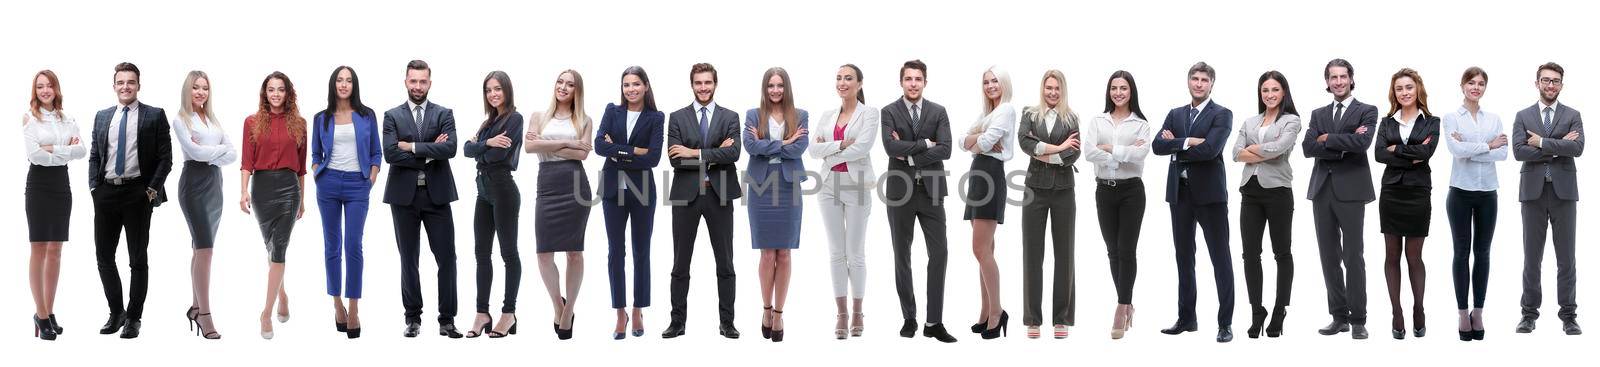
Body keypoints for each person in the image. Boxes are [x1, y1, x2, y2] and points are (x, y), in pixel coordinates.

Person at [1152, 62, 1236, 343]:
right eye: (1194, 79)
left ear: (1212, 84)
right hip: (1180, 194)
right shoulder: (1175, 114)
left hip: (1210, 196)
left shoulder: (1222, 114)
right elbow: (1156, 146)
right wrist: (1188, 141)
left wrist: (1175, 144)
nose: (1198, 84)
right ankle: (1187, 318)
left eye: (1204, 80)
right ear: (1188, 81)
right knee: (1183, 258)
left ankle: (1225, 323)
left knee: (1220, 259)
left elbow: (1211, 150)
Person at [89, 62, 173, 339]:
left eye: (131, 82)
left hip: (139, 193)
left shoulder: (154, 115)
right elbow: (95, 156)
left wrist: (150, 192)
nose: (126, 87)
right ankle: (116, 313)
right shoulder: (102, 117)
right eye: (121, 82)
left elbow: (165, 159)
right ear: (114, 86)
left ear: (139, 85)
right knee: (104, 257)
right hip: (106, 194)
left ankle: (134, 318)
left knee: (137, 259)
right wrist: (94, 188)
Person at [381, 60, 463, 338]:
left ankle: (447, 320)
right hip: (403, 198)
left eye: (423, 81)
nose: (418, 86)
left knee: (447, 258)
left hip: (437, 195)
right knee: (408, 258)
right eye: (413, 81)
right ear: (406, 81)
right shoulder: (392, 115)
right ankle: (413, 318)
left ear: (430, 82)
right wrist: (430, 152)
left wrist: (412, 147)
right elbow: (390, 154)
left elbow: (450, 148)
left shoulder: (444, 114)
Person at [662, 63, 743, 340]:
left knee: (725, 263)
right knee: (680, 262)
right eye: (698, 83)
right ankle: (677, 321)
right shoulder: (676, 117)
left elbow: (733, 154)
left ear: (715, 84)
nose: (703, 88)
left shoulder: (730, 116)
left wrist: (693, 152)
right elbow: (675, 159)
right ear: (692, 85)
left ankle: (727, 322)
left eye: (708, 82)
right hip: (686, 196)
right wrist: (712, 152)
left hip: (719, 196)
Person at [880, 59, 958, 343]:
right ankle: (909, 318)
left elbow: (947, 149)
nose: (913, 83)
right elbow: (890, 147)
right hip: (900, 194)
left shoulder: (939, 112)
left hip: (932, 191)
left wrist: (910, 154)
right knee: (902, 255)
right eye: (908, 79)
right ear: (901, 82)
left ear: (925, 82)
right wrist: (927, 144)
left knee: (940, 254)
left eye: (918, 79)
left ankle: (933, 322)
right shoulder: (889, 111)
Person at [1304, 58, 1378, 340]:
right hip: (1322, 190)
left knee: (1353, 255)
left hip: (1352, 191)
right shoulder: (1317, 113)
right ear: (1327, 82)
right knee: (1328, 256)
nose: (1338, 82)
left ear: (1351, 79)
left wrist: (1327, 139)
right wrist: (1339, 140)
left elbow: (1362, 144)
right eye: (1333, 77)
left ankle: (1359, 319)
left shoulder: (1366, 111)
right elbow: (1308, 148)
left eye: (1342, 77)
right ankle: (1339, 316)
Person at [1513, 62, 1584, 336]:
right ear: (1537, 83)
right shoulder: (1523, 116)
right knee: (1532, 257)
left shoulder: (1573, 115)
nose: (1550, 85)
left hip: (1564, 193)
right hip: (1532, 193)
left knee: (1566, 258)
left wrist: (1541, 143)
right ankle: (1528, 314)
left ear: (1561, 85)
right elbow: (1519, 152)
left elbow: (1577, 148)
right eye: (1545, 80)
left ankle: (1569, 315)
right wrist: (1558, 146)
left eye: (1555, 81)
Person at [594, 66, 665, 340]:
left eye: (636, 84)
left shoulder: (656, 117)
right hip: (612, 191)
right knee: (615, 252)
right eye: (626, 85)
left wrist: (618, 151)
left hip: (642, 192)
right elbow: (600, 146)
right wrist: (634, 150)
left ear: (646, 86)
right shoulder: (612, 111)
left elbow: (654, 158)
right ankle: (619, 311)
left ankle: (638, 309)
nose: (631, 89)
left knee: (641, 252)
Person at [310, 66, 381, 339]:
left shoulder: (366, 115)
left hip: (357, 184)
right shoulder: (321, 118)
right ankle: (336, 303)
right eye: (339, 80)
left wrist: (371, 178)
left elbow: (376, 152)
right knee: (332, 246)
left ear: (354, 85)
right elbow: (316, 152)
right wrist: (318, 171)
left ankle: (353, 307)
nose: (343, 84)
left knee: (353, 245)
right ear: (333, 84)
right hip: (327, 183)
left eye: (348, 80)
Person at [809, 64, 878, 340]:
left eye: (848, 78)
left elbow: (863, 147)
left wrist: (829, 152)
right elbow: (813, 149)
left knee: (855, 252)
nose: (843, 82)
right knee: (836, 252)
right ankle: (841, 313)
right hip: (828, 186)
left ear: (859, 84)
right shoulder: (827, 115)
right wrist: (839, 146)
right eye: (839, 78)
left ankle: (858, 310)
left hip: (857, 186)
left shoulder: (870, 113)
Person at [523, 69, 593, 340]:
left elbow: (584, 154)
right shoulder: (538, 117)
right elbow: (529, 149)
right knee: (543, 254)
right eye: (560, 82)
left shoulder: (585, 119)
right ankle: (557, 303)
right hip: (548, 184)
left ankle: (569, 310)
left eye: (570, 84)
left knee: (574, 252)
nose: (563, 87)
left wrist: (545, 143)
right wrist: (567, 142)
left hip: (575, 186)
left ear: (577, 90)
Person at [1230, 71, 1301, 339]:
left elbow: (1280, 149)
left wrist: (1253, 150)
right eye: (1265, 91)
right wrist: (1264, 149)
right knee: (1250, 254)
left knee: (1282, 253)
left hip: (1278, 192)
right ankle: (1256, 310)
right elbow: (1235, 153)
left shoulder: (1291, 120)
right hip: (1250, 192)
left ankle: (1280, 309)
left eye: (1274, 90)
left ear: (1284, 92)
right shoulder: (1250, 121)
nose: (1269, 95)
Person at [240, 71, 309, 340]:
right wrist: (243, 191)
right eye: (271, 89)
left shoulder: (300, 124)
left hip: (289, 189)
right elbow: (247, 161)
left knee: (279, 247)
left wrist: (303, 199)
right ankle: (282, 295)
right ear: (264, 93)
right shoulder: (252, 122)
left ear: (288, 93)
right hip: (262, 190)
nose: (276, 94)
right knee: (270, 247)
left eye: (281, 89)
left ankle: (265, 313)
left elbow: (302, 168)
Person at [1082, 70, 1151, 340]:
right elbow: (1088, 152)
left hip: (1132, 192)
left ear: (1131, 91)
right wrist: (1121, 153)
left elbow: (1141, 155)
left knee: (1126, 249)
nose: (1118, 92)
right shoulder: (1097, 120)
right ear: (1108, 91)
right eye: (1114, 88)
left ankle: (1122, 307)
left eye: (1123, 88)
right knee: (1112, 251)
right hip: (1104, 191)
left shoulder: (1141, 124)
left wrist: (1108, 148)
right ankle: (1127, 302)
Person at [1373, 68, 1440, 340]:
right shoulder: (1386, 122)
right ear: (1394, 93)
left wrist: (1395, 150)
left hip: (1417, 193)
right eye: (1399, 88)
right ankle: (1396, 312)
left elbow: (1426, 153)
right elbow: (1378, 154)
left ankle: (1419, 308)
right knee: (1391, 255)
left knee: (1414, 256)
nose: (1405, 92)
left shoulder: (1432, 121)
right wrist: (1410, 154)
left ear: (1418, 89)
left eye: (1409, 87)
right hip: (1391, 192)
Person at [1441, 67, 1507, 341]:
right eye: (1471, 82)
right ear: (1462, 85)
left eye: (1481, 83)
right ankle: (1461, 312)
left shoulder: (1494, 118)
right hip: (1460, 192)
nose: (1476, 87)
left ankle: (1478, 311)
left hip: (1488, 193)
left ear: (1484, 88)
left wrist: (1475, 146)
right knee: (1460, 252)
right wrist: (1487, 146)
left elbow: (1503, 153)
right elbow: (1455, 151)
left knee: (1483, 253)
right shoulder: (1451, 118)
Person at [744, 67, 809, 342]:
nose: (775, 90)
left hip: (788, 185)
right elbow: (750, 146)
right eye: (771, 85)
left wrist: (768, 143)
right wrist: (784, 141)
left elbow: (799, 148)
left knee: (784, 253)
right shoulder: (752, 115)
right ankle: (766, 309)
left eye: (780, 85)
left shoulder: (801, 115)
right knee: (766, 254)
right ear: (764, 88)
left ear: (786, 87)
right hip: (760, 185)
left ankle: (780, 313)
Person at [1016, 69, 1080, 340]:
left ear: (1062, 90)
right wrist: (1057, 147)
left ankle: (1061, 318)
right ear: (1042, 89)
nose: (1052, 92)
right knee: (1033, 254)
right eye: (1048, 88)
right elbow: (1023, 141)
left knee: (1064, 254)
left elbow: (1074, 152)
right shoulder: (1029, 113)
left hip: (1064, 191)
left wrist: (1043, 152)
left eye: (1057, 88)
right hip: (1034, 190)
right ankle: (1033, 319)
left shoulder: (1072, 117)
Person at [23, 69, 86, 341]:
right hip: (38, 185)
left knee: (56, 250)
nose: (45, 90)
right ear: (35, 91)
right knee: (39, 248)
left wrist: (52, 148)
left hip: (61, 184)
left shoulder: (67, 118)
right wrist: (63, 149)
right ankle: (41, 313)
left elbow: (82, 151)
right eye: (40, 87)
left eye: (49, 86)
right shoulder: (30, 118)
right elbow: (34, 156)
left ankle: (49, 311)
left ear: (56, 88)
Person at [173, 70, 236, 340]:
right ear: (187, 90)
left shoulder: (212, 120)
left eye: (205, 88)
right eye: (196, 88)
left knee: (200, 250)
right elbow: (195, 153)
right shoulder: (180, 120)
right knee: (205, 249)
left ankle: (196, 306)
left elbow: (233, 153)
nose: (200, 92)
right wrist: (216, 152)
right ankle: (206, 314)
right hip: (194, 186)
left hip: (215, 186)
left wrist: (212, 153)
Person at [465, 71, 525, 338]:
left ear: (507, 90)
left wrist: (479, 148)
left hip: (503, 189)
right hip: (483, 191)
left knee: (508, 254)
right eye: (488, 90)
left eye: (498, 89)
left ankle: (509, 313)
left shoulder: (515, 119)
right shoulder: (488, 123)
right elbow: (466, 150)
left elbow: (499, 155)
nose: (493, 94)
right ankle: (481, 312)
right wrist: (485, 143)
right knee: (480, 253)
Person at [962, 66, 1016, 340]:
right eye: (986, 82)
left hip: (990, 177)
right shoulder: (988, 114)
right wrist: (975, 141)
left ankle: (997, 311)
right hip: (978, 175)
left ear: (1004, 83)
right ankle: (985, 311)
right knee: (986, 250)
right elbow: (964, 141)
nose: (991, 85)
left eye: (995, 80)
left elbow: (986, 142)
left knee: (980, 249)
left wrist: (977, 141)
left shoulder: (1005, 110)